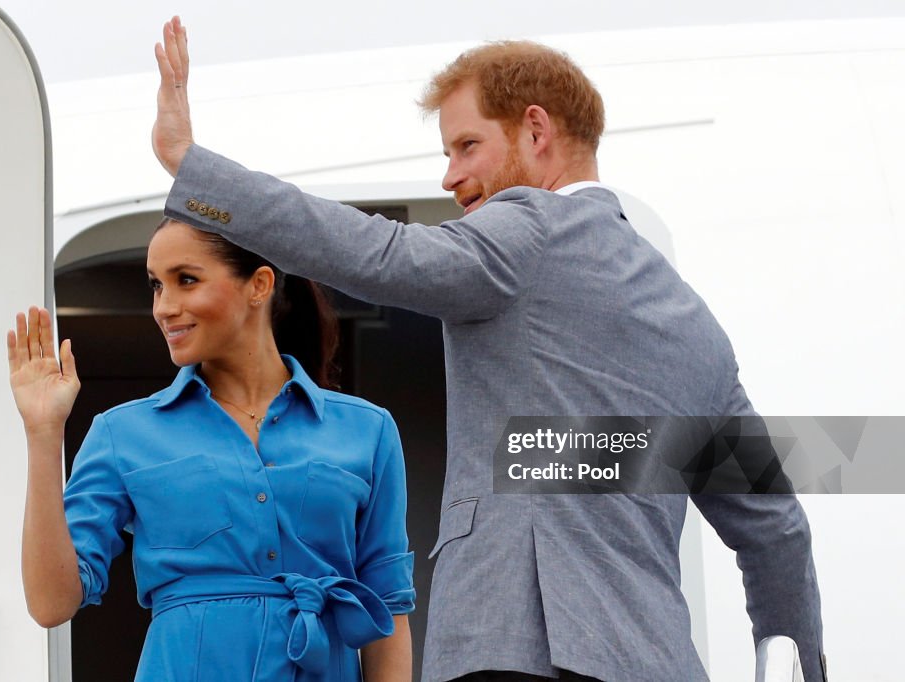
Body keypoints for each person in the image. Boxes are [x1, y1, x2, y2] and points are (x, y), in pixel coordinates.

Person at [150, 17, 826, 682]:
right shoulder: (695, 325)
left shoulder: (527, 229)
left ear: (536, 131)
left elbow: (377, 253)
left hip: (519, 646)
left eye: (467, 145)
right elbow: (776, 530)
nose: (450, 176)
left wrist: (192, 165)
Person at [8, 218, 415, 682]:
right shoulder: (123, 432)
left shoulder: (368, 429)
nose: (164, 306)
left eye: (186, 280)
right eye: (156, 286)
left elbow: (388, 606)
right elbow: (50, 603)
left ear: (258, 285)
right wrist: (43, 433)